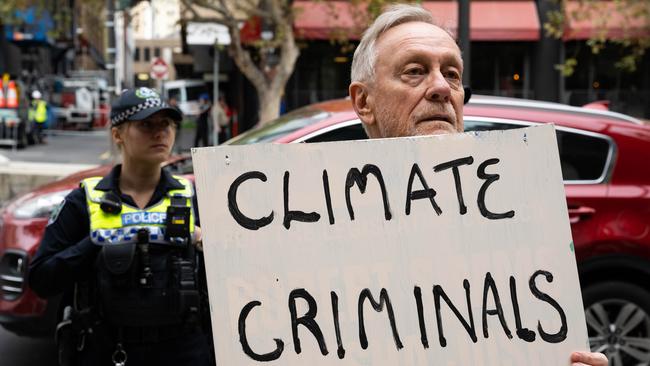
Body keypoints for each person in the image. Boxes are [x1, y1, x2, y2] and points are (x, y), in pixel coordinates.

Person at [348, 4, 608, 366]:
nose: (441, 87)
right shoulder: (313, 228)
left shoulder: (516, 218)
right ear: (364, 102)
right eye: (415, 71)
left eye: (452, 74)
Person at [28, 87, 212, 366]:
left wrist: (204, 242)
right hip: (107, 350)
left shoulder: (194, 197)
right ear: (118, 134)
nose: (160, 132)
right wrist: (96, 242)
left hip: (182, 351)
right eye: (146, 125)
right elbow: (42, 278)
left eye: (166, 124)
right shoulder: (84, 201)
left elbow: (236, 273)